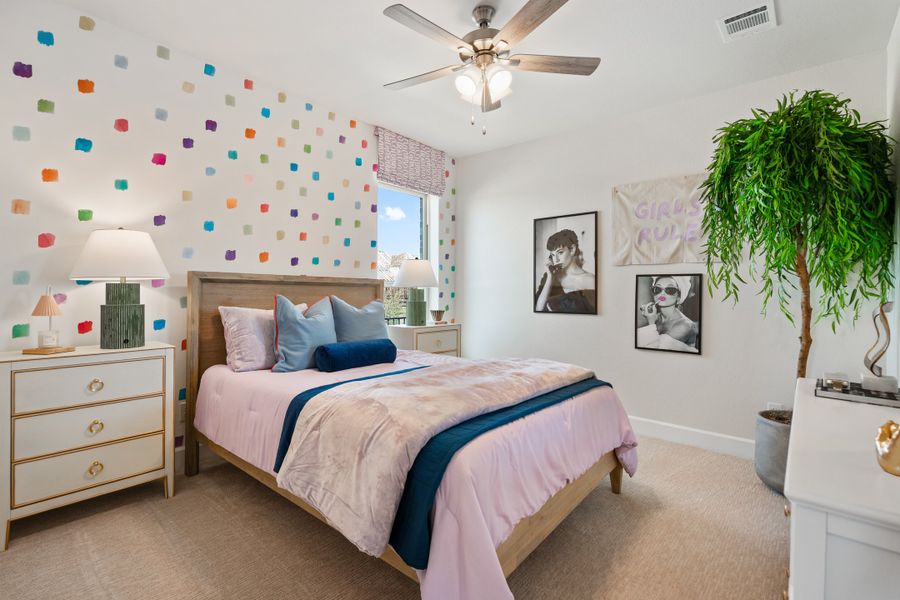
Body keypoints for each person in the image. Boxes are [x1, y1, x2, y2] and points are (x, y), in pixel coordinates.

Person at [534, 229, 596, 313]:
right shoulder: (549, 276)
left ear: (572, 249)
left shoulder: (591, 280)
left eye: (560, 253)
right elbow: (539, 309)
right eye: (553, 255)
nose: (556, 259)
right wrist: (550, 277)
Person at [638, 275, 699, 351]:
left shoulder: (684, 326)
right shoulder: (656, 318)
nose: (662, 293)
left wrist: (651, 322)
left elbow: (654, 351)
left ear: (678, 297)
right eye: (657, 289)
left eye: (670, 290)